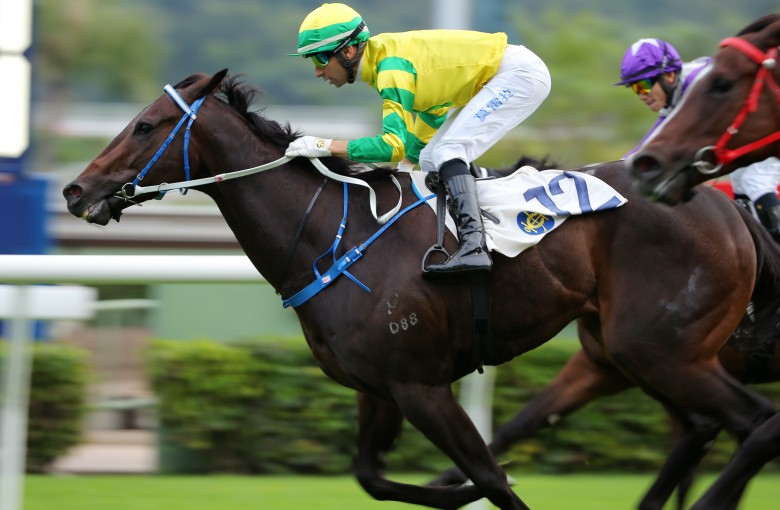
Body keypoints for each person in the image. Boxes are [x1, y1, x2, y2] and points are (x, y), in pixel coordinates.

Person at [284, 3, 552, 276]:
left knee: (449, 151)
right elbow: (434, 110)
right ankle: (474, 231)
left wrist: (324, 146)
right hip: (509, 73)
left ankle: (474, 245)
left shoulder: (391, 68)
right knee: (430, 158)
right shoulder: (383, 61)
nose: (317, 72)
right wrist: (409, 161)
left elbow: (391, 146)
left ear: (348, 51)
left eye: (320, 59)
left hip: (518, 75)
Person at [615, 37, 780, 241]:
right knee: (740, 180)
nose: (642, 95)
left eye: (644, 85)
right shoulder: (675, 93)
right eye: (635, 88)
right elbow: (650, 143)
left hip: (766, 131)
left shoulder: (697, 82)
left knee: (754, 180)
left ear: (669, 75)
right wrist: (618, 167)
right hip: (748, 137)